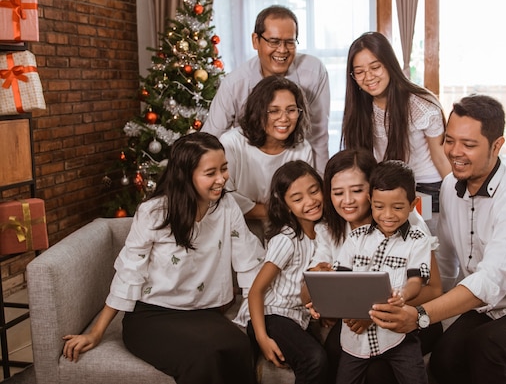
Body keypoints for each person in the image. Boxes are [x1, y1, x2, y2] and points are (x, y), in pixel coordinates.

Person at [369, 95, 506, 384]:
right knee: (444, 358)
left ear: (497, 146)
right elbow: (445, 261)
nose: (455, 152)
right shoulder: (448, 187)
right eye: (450, 140)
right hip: (489, 310)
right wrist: (403, 298)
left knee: (485, 346)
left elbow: (489, 281)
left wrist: (419, 315)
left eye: (468, 145)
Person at [62, 132, 265, 384]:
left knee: (240, 347)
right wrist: (96, 332)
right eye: (210, 173)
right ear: (185, 175)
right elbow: (129, 273)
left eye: (223, 169)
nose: (221, 179)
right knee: (203, 358)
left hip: (203, 313)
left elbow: (249, 264)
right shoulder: (154, 212)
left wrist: (259, 321)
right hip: (151, 315)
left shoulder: (227, 207)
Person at [307, 149, 442, 384]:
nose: (347, 200)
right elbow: (314, 289)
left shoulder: (409, 223)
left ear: (371, 190)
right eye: (338, 192)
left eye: (357, 190)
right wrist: (321, 293)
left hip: (412, 314)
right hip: (358, 322)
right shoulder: (334, 229)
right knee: (335, 350)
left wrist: (371, 313)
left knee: (377, 372)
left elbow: (433, 290)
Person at [341, 31, 451, 233]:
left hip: (427, 189)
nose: (369, 77)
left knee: (430, 253)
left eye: (375, 67)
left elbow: (441, 157)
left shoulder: (421, 104)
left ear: (389, 65)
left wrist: (460, 200)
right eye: (359, 72)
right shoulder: (359, 107)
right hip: (387, 190)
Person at [202, 4, 330, 172]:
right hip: (248, 171)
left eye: (289, 42)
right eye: (274, 41)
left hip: (294, 170)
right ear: (256, 41)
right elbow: (210, 140)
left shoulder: (313, 72)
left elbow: (318, 137)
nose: (282, 50)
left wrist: (322, 188)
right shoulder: (234, 84)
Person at [242, 160, 329, 384]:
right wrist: (262, 337)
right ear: (287, 206)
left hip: (297, 318)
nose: (310, 202)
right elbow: (256, 291)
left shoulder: (324, 235)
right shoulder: (286, 240)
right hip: (271, 315)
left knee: (329, 357)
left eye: (314, 191)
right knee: (314, 359)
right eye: (298, 199)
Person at [219, 75, 314, 241]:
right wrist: (272, 210)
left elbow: (304, 199)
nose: (284, 118)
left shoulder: (302, 148)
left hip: (286, 228)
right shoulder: (231, 143)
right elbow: (223, 198)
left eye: (291, 110)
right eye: (274, 110)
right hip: (236, 227)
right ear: (258, 111)